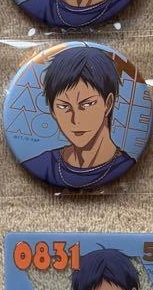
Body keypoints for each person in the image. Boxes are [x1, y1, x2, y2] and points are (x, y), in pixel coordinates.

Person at [22, 45, 135, 189]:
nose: (76, 120)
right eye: (63, 106)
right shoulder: (42, 164)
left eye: (87, 104)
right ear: (52, 110)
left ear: (108, 103)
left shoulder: (127, 167)